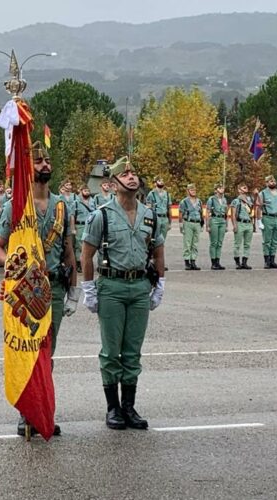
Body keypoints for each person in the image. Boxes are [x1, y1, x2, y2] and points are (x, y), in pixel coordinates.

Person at [0, 141, 78, 437]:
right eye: (38, 162)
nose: (44, 165)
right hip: (25, 291)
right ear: (29, 169)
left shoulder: (62, 207)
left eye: (47, 161)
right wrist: (18, 268)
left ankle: (42, 410)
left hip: (53, 289)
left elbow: (68, 251)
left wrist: (74, 290)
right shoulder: (16, 208)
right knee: (26, 353)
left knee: (46, 354)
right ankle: (25, 413)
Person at [80, 157, 165, 431]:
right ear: (112, 184)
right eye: (124, 174)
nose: (131, 177)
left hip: (139, 286)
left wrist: (159, 283)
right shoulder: (101, 215)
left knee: (133, 351)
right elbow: (87, 253)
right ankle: (113, 408)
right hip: (112, 287)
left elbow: (158, 248)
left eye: (133, 173)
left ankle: (129, 406)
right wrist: (89, 287)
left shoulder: (150, 216)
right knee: (111, 350)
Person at [255, 175, 277, 269]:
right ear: (266, 183)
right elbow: (258, 207)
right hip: (268, 218)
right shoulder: (262, 193)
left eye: (274, 181)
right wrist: (259, 221)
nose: (273, 183)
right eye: (270, 181)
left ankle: (272, 260)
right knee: (267, 240)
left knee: (275, 240)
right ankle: (267, 261)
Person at [178, 183, 203, 270]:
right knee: (187, 243)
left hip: (197, 223)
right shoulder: (184, 201)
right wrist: (181, 225)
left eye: (194, 190)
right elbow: (180, 214)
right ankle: (187, 261)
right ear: (188, 191)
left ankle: (193, 261)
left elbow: (201, 213)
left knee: (195, 243)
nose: (193, 191)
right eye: (191, 190)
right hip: (188, 222)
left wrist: (202, 224)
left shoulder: (199, 201)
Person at [230, 183, 255, 270]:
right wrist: (234, 225)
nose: (246, 188)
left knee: (247, 244)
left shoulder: (250, 199)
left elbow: (253, 209)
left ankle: (245, 262)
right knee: (237, 244)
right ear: (239, 190)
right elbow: (233, 214)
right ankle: (237, 262)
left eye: (246, 187)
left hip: (248, 223)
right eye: (243, 187)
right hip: (240, 223)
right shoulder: (236, 201)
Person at [205, 183, 228, 270]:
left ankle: (218, 261)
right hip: (214, 219)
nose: (222, 189)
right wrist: (207, 225)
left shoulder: (224, 199)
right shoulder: (211, 199)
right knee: (214, 242)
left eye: (222, 187)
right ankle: (213, 262)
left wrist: (226, 224)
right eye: (219, 188)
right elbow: (207, 212)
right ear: (216, 190)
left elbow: (226, 213)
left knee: (220, 242)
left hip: (222, 220)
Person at [74, 185, 96, 267]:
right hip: (80, 225)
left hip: (90, 225)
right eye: (85, 191)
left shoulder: (93, 201)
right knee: (79, 244)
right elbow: (73, 215)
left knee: (89, 244)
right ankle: (79, 263)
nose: (87, 192)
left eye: (88, 191)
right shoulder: (76, 202)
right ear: (81, 191)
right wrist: (73, 228)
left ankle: (87, 261)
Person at [145, 176, 172, 241]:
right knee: (154, 238)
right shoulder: (151, 194)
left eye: (162, 180)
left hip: (165, 219)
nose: (161, 182)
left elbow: (169, 208)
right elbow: (148, 209)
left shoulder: (167, 194)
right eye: (159, 181)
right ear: (155, 183)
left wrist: (170, 222)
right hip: (156, 218)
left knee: (163, 239)